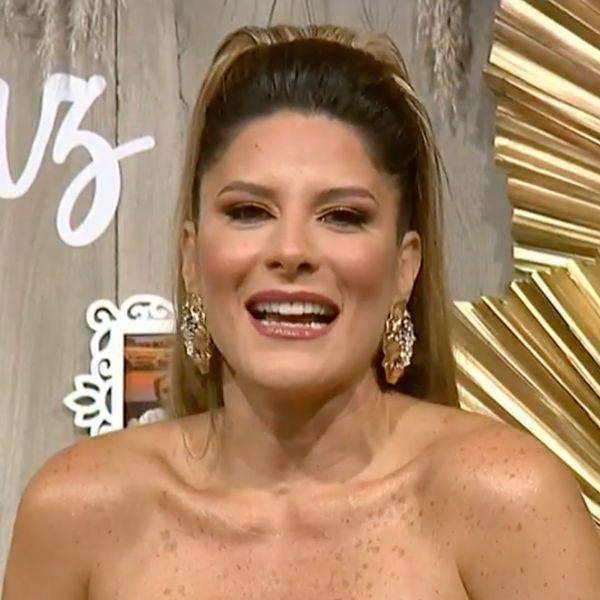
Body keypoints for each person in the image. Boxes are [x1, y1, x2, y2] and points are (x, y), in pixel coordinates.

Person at [3, 24, 600, 600]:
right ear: (191, 259)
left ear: (405, 267)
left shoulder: (508, 501)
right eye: (248, 212)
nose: (290, 250)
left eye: (342, 217)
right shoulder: (79, 511)